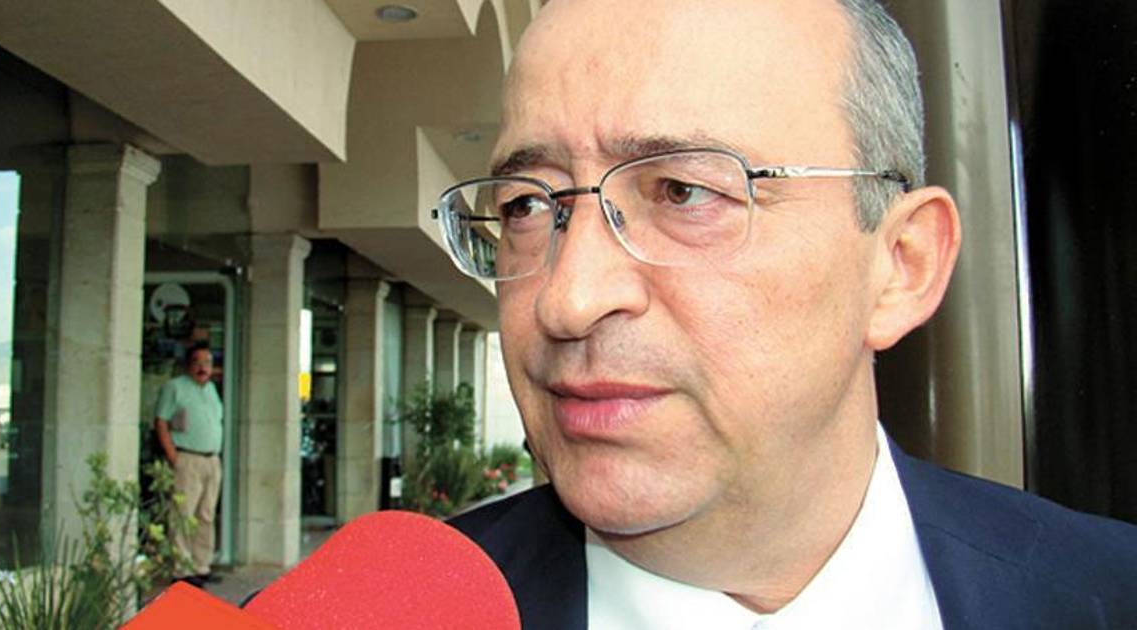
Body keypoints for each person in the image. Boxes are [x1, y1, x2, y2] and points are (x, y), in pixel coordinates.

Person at [439, 0, 1137, 628]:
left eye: (683, 191)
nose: (570, 298)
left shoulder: (1111, 591)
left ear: (902, 265)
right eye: (527, 205)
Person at [154, 342, 224, 588]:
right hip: (188, 458)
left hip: (211, 460)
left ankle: (201, 566)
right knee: (183, 514)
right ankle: (182, 569)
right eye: (197, 362)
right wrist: (173, 456)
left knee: (206, 514)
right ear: (188, 364)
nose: (203, 367)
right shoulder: (175, 388)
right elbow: (161, 422)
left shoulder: (211, 390)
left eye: (207, 363)